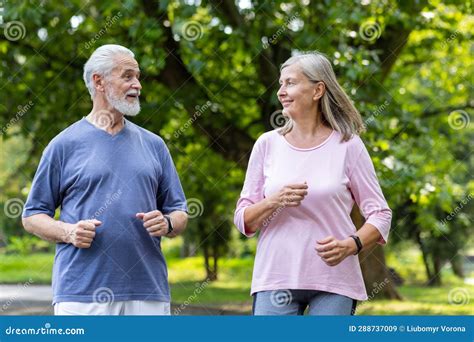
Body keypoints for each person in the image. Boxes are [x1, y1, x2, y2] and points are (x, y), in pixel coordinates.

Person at [22, 44, 188, 315]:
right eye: (127, 76)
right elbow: (32, 216)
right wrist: (69, 232)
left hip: (147, 292)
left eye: (138, 77)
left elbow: (179, 211)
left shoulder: (154, 145)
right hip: (81, 293)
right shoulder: (63, 145)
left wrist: (168, 222)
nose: (137, 85)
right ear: (99, 81)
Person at [234, 51, 392, 315]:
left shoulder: (348, 145)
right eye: (280, 84)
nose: (281, 92)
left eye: (291, 83)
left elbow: (381, 214)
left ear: (318, 89)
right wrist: (275, 200)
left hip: (334, 279)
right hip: (276, 277)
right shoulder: (267, 144)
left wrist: (351, 244)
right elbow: (243, 220)